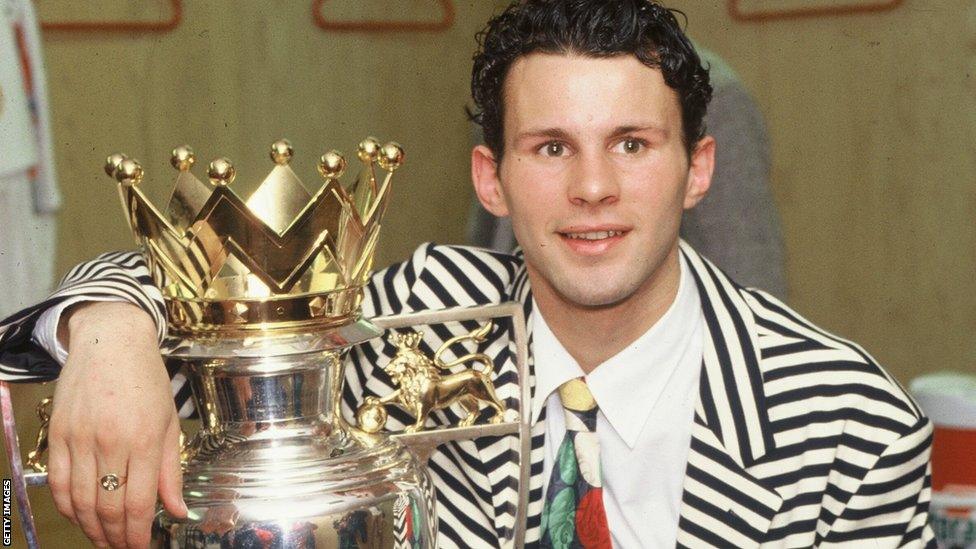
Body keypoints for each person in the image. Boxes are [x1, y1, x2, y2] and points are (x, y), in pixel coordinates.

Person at [0, 1, 935, 548]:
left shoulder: (851, 424)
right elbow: (232, 307)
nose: (594, 189)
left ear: (699, 168)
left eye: (634, 144)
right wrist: (109, 326)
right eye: (550, 146)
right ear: (493, 178)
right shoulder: (426, 313)